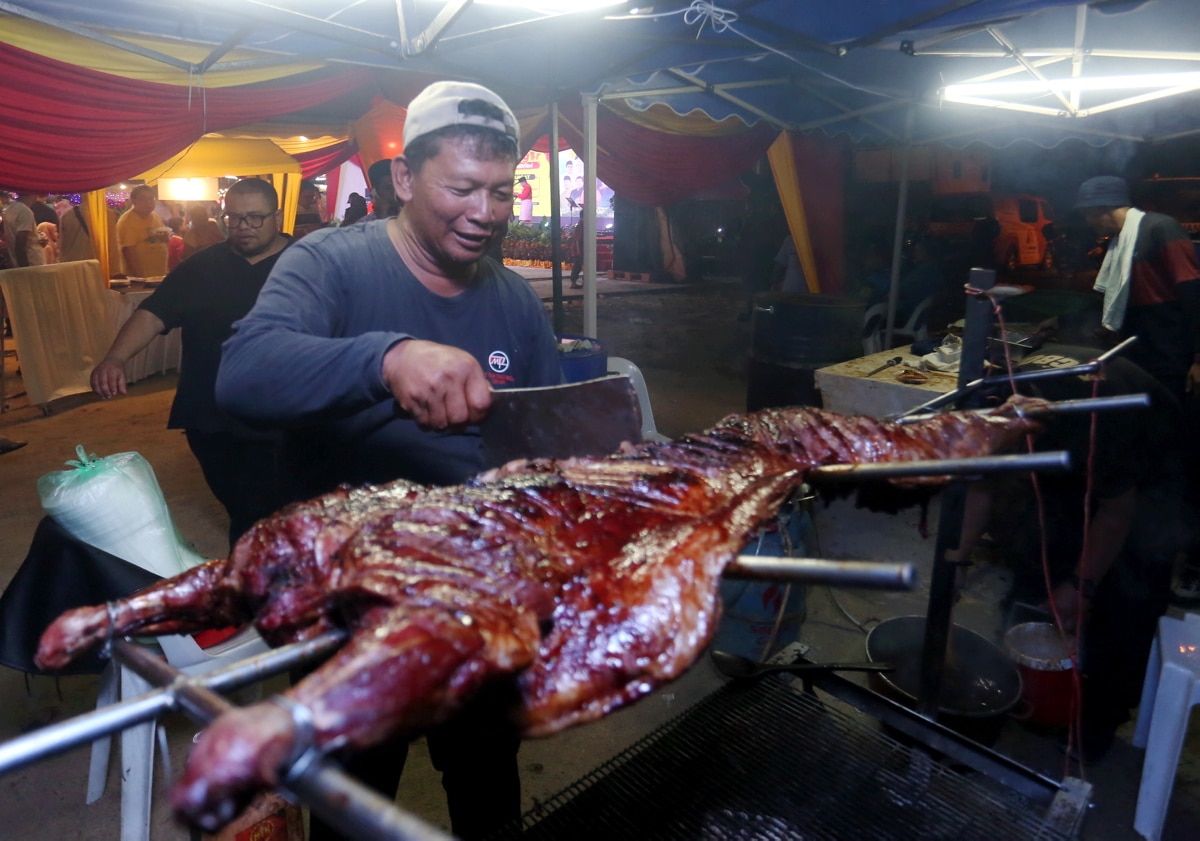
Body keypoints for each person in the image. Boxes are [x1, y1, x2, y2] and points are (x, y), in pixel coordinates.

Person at [216, 81, 562, 840]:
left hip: (473, 599)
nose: (486, 212)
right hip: (349, 605)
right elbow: (243, 373)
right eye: (463, 187)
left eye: (501, 191)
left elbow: (549, 444)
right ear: (404, 179)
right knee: (352, 803)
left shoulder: (514, 301)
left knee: (485, 784)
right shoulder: (333, 264)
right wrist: (388, 359)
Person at [957, 343, 1186, 761]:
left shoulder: (1094, 427)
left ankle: (1095, 723)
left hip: (1158, 462)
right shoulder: (988, 404)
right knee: (1040, 550)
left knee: (1127, 589)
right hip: (1074, 443)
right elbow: (981, 485)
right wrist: (957, 558)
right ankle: (1031, 686)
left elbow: (1117, 512)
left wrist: (1080, 586)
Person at [90, 179, 290, 546]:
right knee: (248, 510)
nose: (244, 226)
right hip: (212, 417)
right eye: (235, 217)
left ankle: (261, 586)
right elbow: (154, 313)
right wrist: (115, 359)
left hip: (289, 416)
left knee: (264, 516)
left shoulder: (310, 262)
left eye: (255, 218)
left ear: (276, 216)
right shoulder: (201, 267)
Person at [1074, 175, 1200, 400]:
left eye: (1087, 214)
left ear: (1103, 208)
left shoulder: (1161, 228)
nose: (1087, 221)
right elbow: (1113, 299)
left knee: (1177, 416)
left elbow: (1193, 293)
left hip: (1171, 350)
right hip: (1140, 348)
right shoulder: (1118, 241)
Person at [115, 185, 169, 277]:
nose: (148, 203)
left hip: (158, 274)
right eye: (143, 199)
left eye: (151, 199)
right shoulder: (128, 220)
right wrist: (140, 277)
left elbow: (162, 239)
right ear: (133, 200)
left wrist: (165, 238)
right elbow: (128, 250)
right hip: (141, 278)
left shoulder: (155, 216)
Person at [0, 191, 46, 267]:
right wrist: (24, 268)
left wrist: (37, 238)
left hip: (17, 262)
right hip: (31, 262)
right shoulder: (25, 211)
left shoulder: (10, 209)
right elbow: (20, 241)